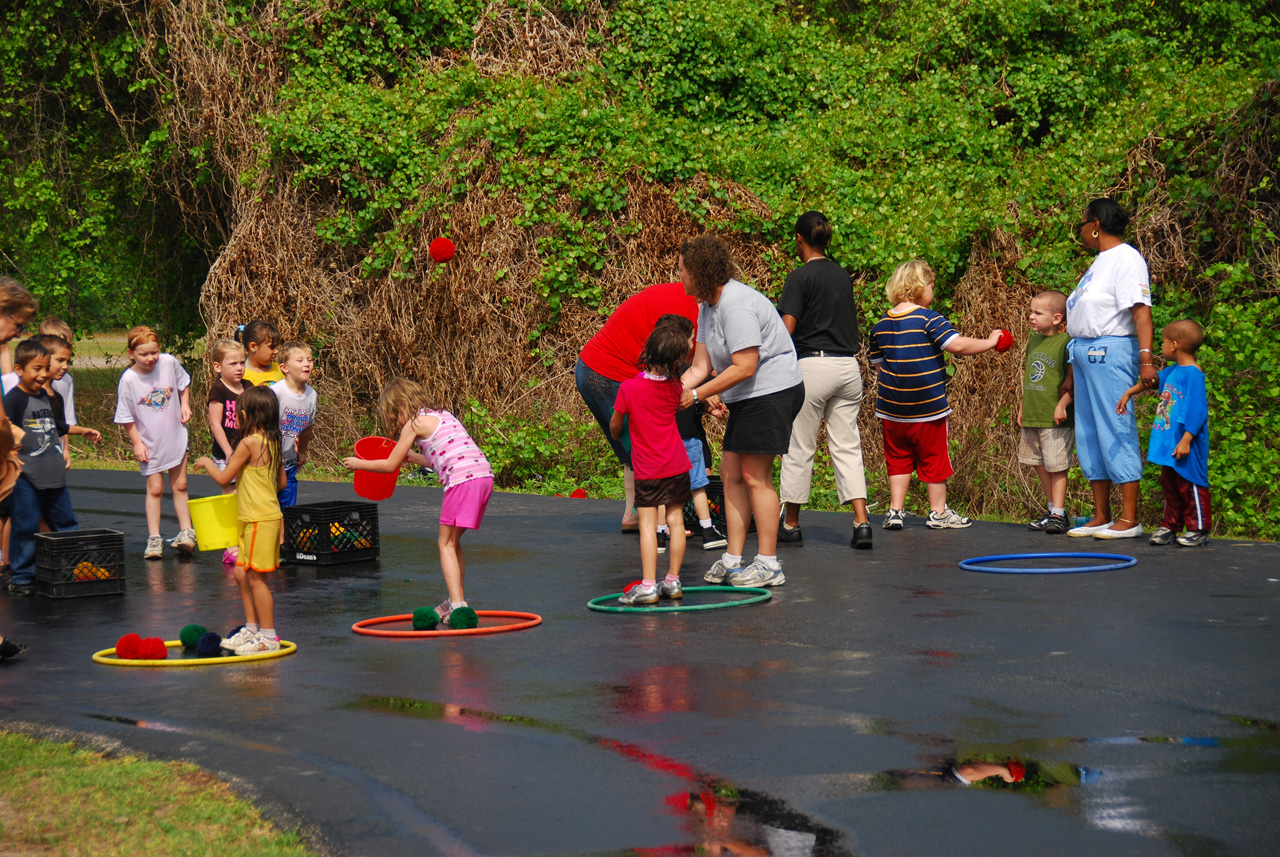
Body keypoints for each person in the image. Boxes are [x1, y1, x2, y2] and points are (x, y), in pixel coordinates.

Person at [678, 234, 804, 588]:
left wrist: (697, 395)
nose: (680, 276)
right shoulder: (707, 306)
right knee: (730, 472)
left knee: (754, 476)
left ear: (700, 272)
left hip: (772, 390)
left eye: (683, 270)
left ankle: (768, 563)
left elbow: (746, 365)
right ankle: (733, 559)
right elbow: (700, 366)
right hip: (748, 395)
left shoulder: (736, 304)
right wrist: (671, 390)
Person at [343, 378, 494, 627]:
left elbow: (390, 464)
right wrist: (413, 457)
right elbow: (443, 458)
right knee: (454, 543)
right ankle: (456, 598)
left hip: (461, 482)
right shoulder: (444, 415)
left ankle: (457, 604)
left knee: (444, 543)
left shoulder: (413, 424)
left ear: (402, 405)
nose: (396, 423)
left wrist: (359, 464)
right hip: (482, 477)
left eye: (394, 417)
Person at [868, 259, 1002, 530]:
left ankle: (895, 511)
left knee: (898, 458)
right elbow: (958, 345)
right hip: (927, 408)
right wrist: (989, 342)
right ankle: (938, 512)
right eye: (931, 285)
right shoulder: (929, 318)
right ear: (921, 287)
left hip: (892, 410)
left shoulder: (881, 324)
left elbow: (880, 366)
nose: (933, 291)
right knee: (934, 457)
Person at [776, 210, 873, 550]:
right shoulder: (843, 276)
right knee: (847, 447)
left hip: (812, 367)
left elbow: (786, 330)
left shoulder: (799, 278)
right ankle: (861, 523)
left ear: (799, 239)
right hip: (848, 367)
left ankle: (790, 524)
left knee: (799, 447)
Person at [1064, 198, 1156, 539]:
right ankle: (1101, 515)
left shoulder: (1126, 258)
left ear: (1096, 224)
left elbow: (1140, 312)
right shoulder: (1099, 262)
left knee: (1115, 426)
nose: (1081, 230)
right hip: (1085, 354)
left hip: (1110, 350)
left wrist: (1146, 359)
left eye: (1083, 222)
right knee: (1089, 433)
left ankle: (1129, 518)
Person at [577, 282, 700, 532]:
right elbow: (687, 365)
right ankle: (659, 522)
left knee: (633, 450)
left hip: (589, 367)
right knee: (647, 451)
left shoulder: (680, 295)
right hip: (609, 372)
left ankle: (633, 516)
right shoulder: (690, 315)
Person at [194, 386, 288, 654]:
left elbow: (225, 478)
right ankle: (251, 628)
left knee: (256, 578)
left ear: (244, 415)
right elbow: (281, 482)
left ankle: (268, 637)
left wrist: (207, 463)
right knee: (240, 572)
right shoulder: (272, 441)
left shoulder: (249, 443)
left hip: (260, 518)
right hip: (252, 517)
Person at [3, 340, 98, 595]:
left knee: (66, 523)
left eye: (45, 368)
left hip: (53, 474)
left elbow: (55, 424)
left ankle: (74, 567)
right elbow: (5, 428)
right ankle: (22, 577)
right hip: (26, 478)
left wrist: (81, 430)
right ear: (19, 369)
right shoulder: (14, 399)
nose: (43, 374)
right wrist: (10, 452)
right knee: (25, 526)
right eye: (37, 368)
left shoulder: (43, 395)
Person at [609, 321, 693, 604]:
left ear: (648, 351)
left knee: (647, 525)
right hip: (677, 465)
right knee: (676, 523)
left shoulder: (629, 388)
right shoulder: (675, 387)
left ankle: (647, 586)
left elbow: (615, 425)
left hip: (648, 469)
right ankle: (673, 581)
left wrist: (620, 435)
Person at [1117, 319, 1211, 547]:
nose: (1161, 346)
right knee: (1171, 486)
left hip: (1185, 443)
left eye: (1163, 342)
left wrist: (1187, 439)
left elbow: (1198, 409)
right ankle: (1171, 525)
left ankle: (1198, 528)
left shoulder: (1193, 374)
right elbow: (1152, 381)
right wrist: (1130, 392)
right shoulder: (1173, 371)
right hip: (1168, 442)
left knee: (1191, 484)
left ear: (1175, 345)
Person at [114, 325, 196, 558]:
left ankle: (186, 532)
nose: (151, 358)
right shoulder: (129, 379)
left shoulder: (169, 362)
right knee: (156, 489)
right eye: (144, 354)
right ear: (131, 354)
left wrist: (186, 404)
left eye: (154, 352)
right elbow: (126, 416)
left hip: (175, 434)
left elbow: (183, 383)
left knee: (180, 486)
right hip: (150, 442)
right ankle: (154, 538)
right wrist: (137, 443)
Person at [1017, 290, 1075, 534]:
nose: (1031, 317)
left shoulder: (1066, 342)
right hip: (1033, 413)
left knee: (1056, 465)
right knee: (1038, 463)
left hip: (1054, 417)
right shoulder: (1033, 340)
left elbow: (1075, 379)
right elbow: (1030, 374)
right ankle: (1052, 510)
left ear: (1056, 318)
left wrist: (1063, 403)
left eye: (1037, 313)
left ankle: (1059, 515)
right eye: (1031, 311)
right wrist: (1022, 406)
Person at [270, 341, 316, 507]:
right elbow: (265, 428)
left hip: (289, 461)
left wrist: (302, 452)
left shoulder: (311, 395)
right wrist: (275, 459)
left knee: (288, 507)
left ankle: (286, 533)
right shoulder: (276, 392)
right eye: (300, 360)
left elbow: (307, 428)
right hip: (269, 461)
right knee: (269, 505)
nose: (307, 364)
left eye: (309, 360)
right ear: (284, 368)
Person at [237, 320, 284, 386]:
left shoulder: (279, 370)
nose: (277, 351)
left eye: (276, 347)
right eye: (272, 347)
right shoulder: (240, 374)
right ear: (253, 347)